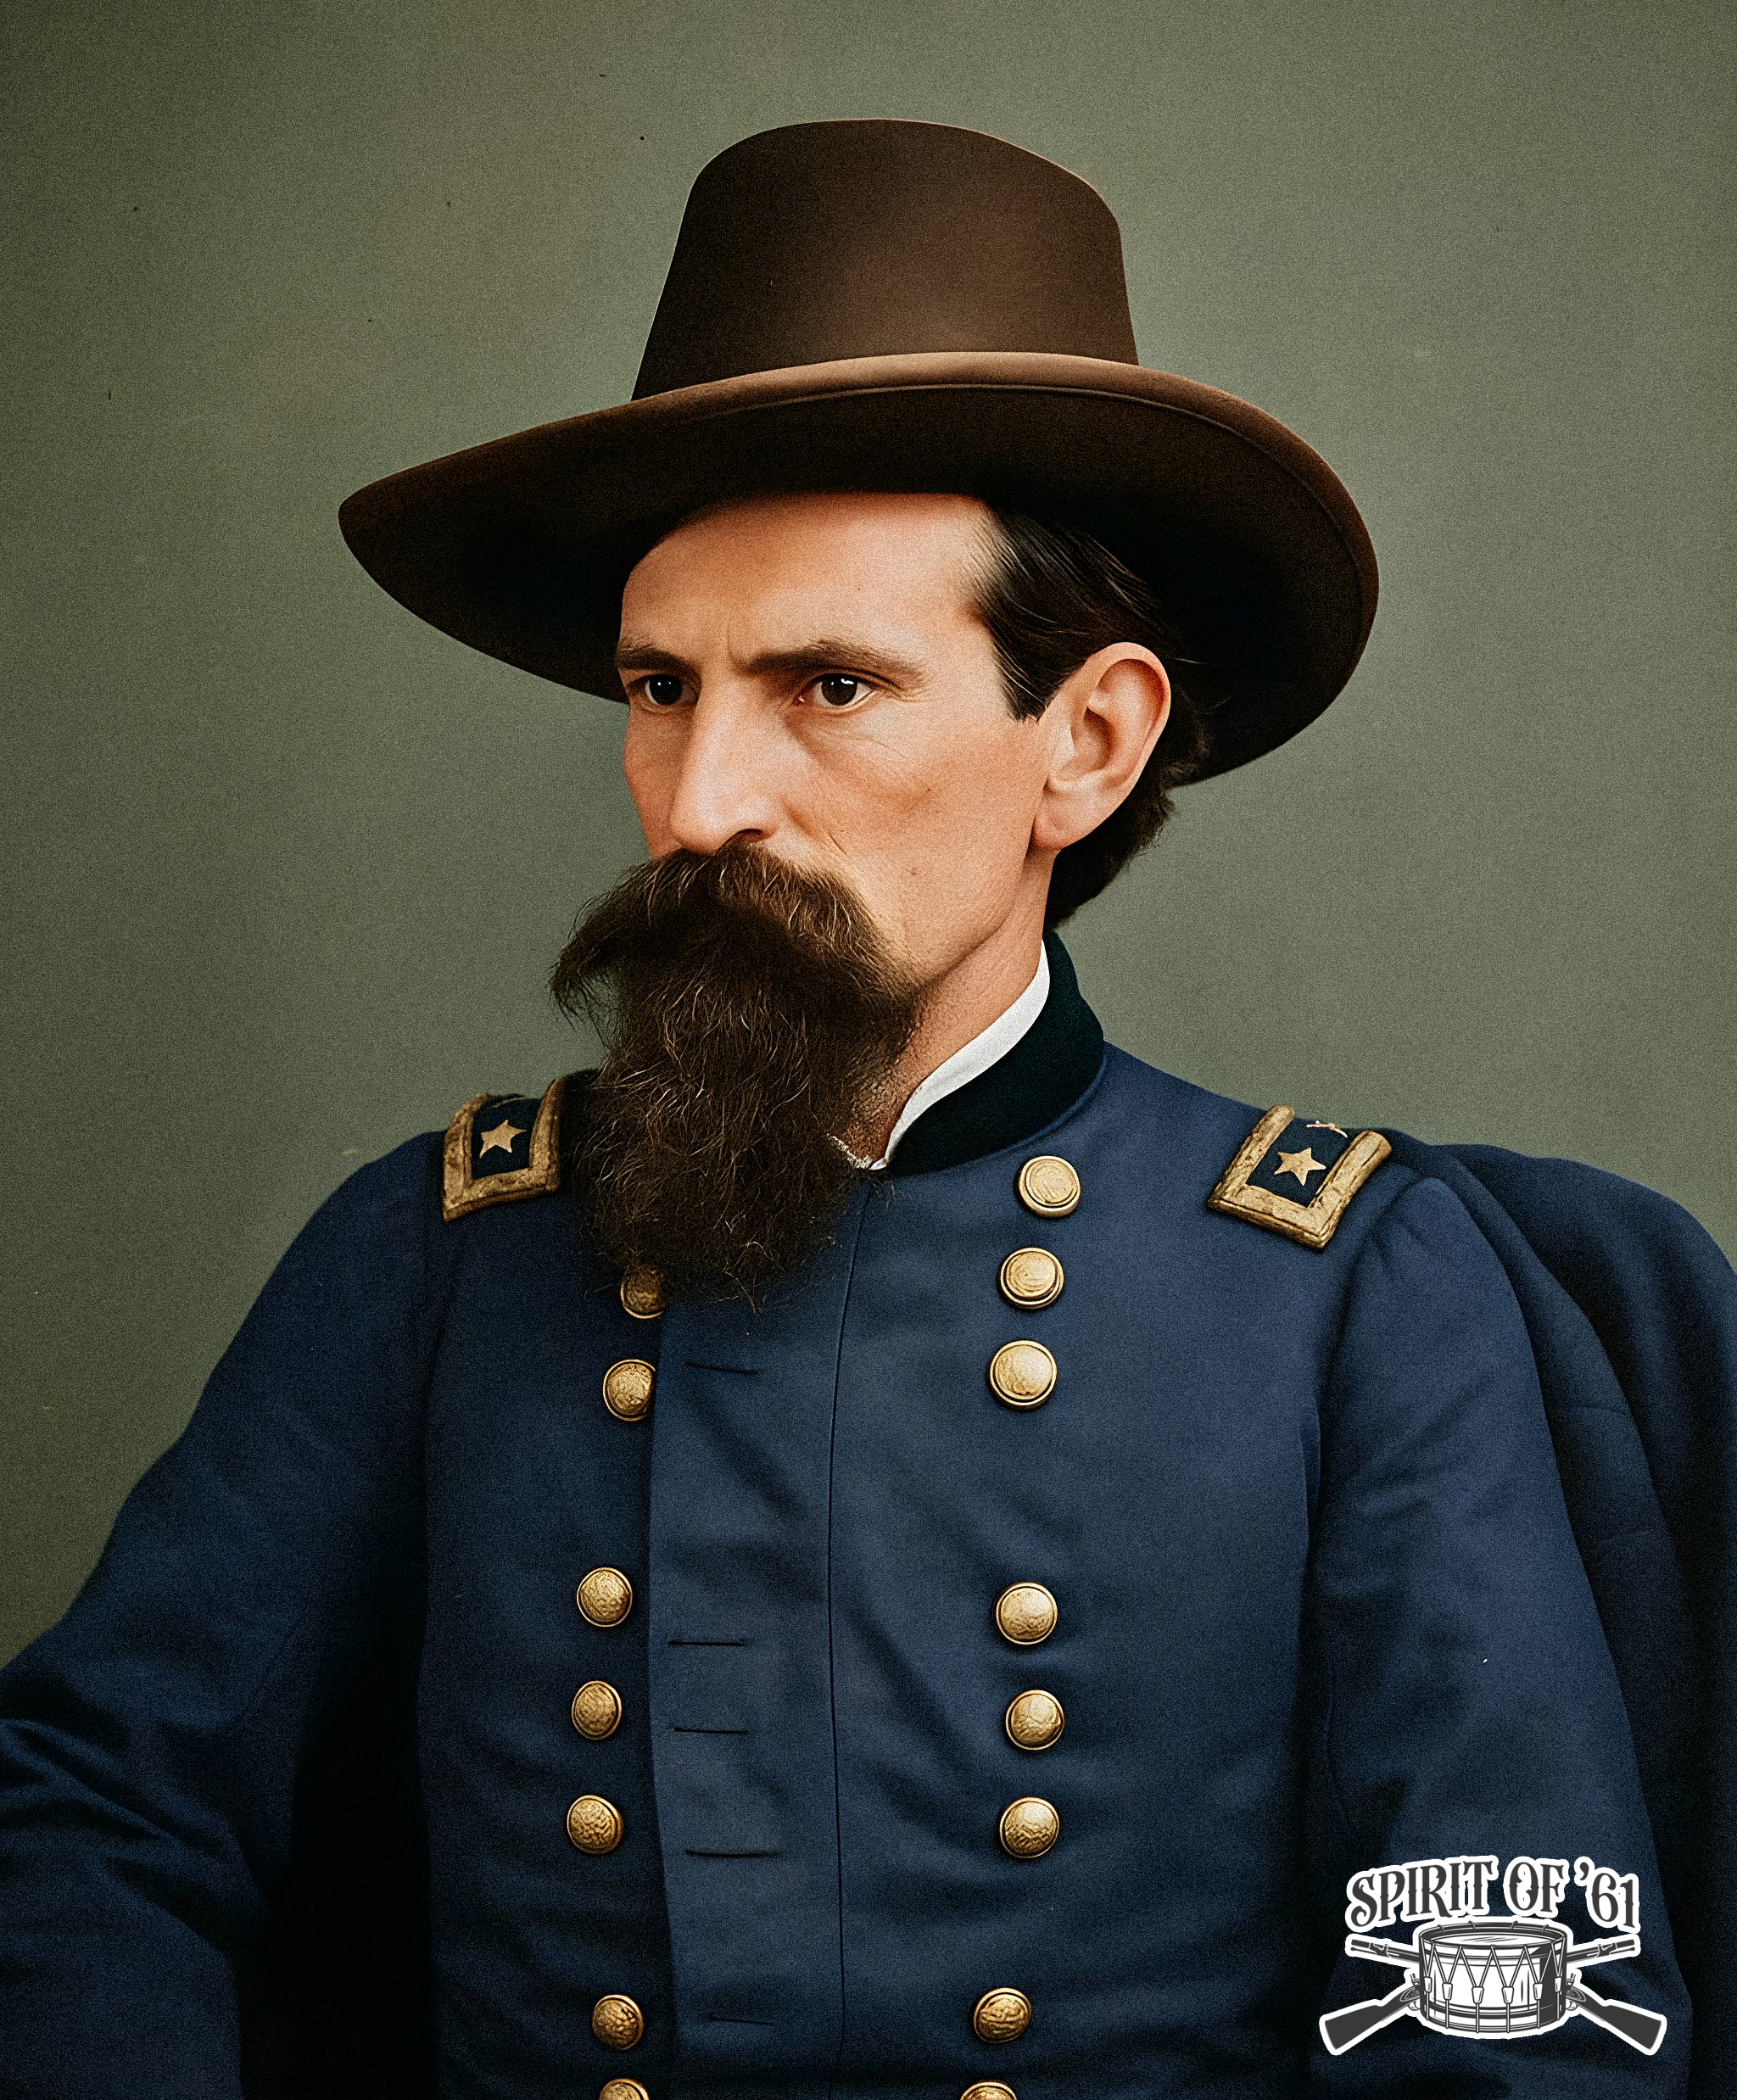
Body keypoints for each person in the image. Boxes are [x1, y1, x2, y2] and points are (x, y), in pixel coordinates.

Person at [1, 119, 1729, 2100]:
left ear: (1086, 741)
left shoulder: (1345, 1286)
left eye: (828, 687)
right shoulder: (438, 1253)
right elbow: (92, 1815)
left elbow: (1494, 1995)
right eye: (662, 687)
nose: (702, 801)